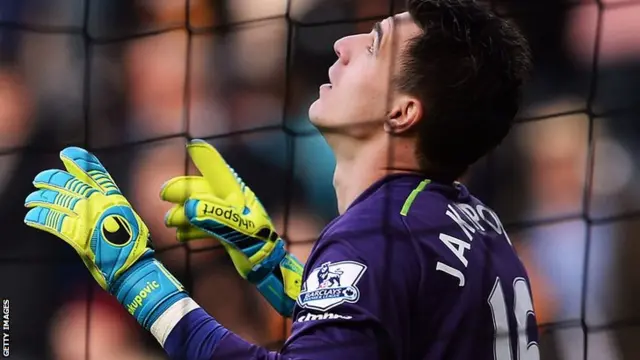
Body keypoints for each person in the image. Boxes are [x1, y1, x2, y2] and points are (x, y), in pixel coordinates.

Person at [23, 0, 536, 359]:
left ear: (401, 113)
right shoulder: (474, 219)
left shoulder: (379, 234)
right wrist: (273, 265)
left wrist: (137, 277)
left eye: (375, 47)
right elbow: (377, 335)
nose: (344, 44)